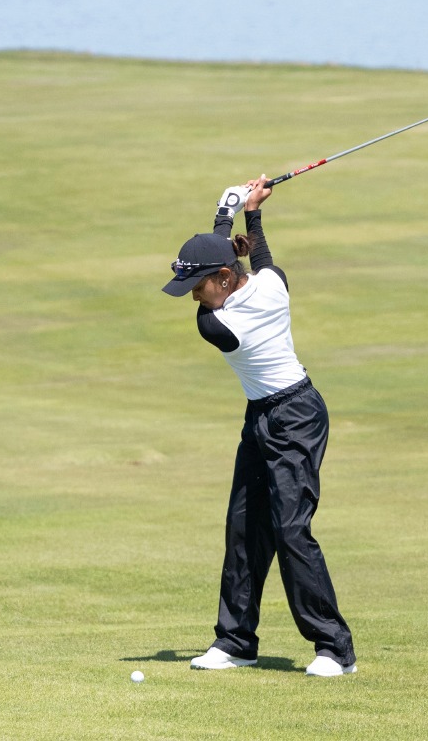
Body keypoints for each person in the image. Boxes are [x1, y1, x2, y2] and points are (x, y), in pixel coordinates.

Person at [161, 176, 357, 677]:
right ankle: (236, 641)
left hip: (296, 417)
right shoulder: (273, 284)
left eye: (197, 286)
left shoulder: (217, 326)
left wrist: (228, 215)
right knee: (244, 527)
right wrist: (250, 214)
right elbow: (261, 260)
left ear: (225, 278)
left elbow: (243, 260)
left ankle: (335, 649)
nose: (193, 298)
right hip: (261, 416)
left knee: (291, 530)